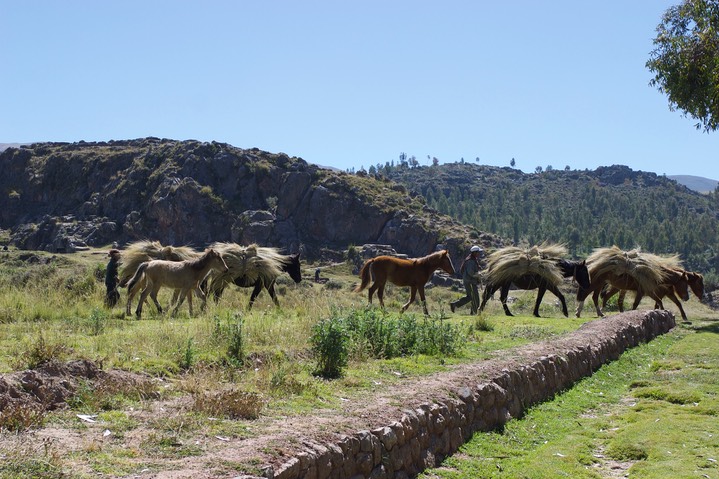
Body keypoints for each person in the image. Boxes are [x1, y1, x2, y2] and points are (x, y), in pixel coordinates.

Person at [450, 245, 483, 314]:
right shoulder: (471, 261)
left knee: (470, 297)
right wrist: (477, 275)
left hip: (469, 281)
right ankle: (473, 312)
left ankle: (454, 304)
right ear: (474, 252)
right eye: (478, 252)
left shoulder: (472, 259)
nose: (479, 254)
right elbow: (470, 272)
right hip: (470, 281)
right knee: (475, 298)